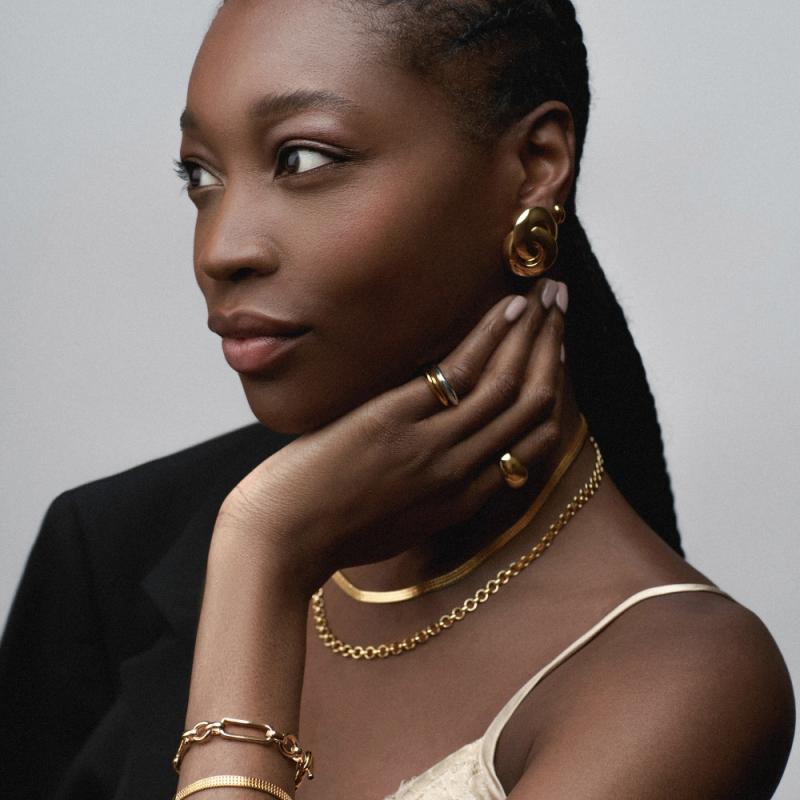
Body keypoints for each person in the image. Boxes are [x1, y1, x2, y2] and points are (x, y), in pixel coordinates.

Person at [0, 1, 794, 798]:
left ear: (535, 164)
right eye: (200, 175)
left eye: (303, 159)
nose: (221, 250)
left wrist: (261, 564)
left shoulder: (686, 679)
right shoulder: (112, 551)